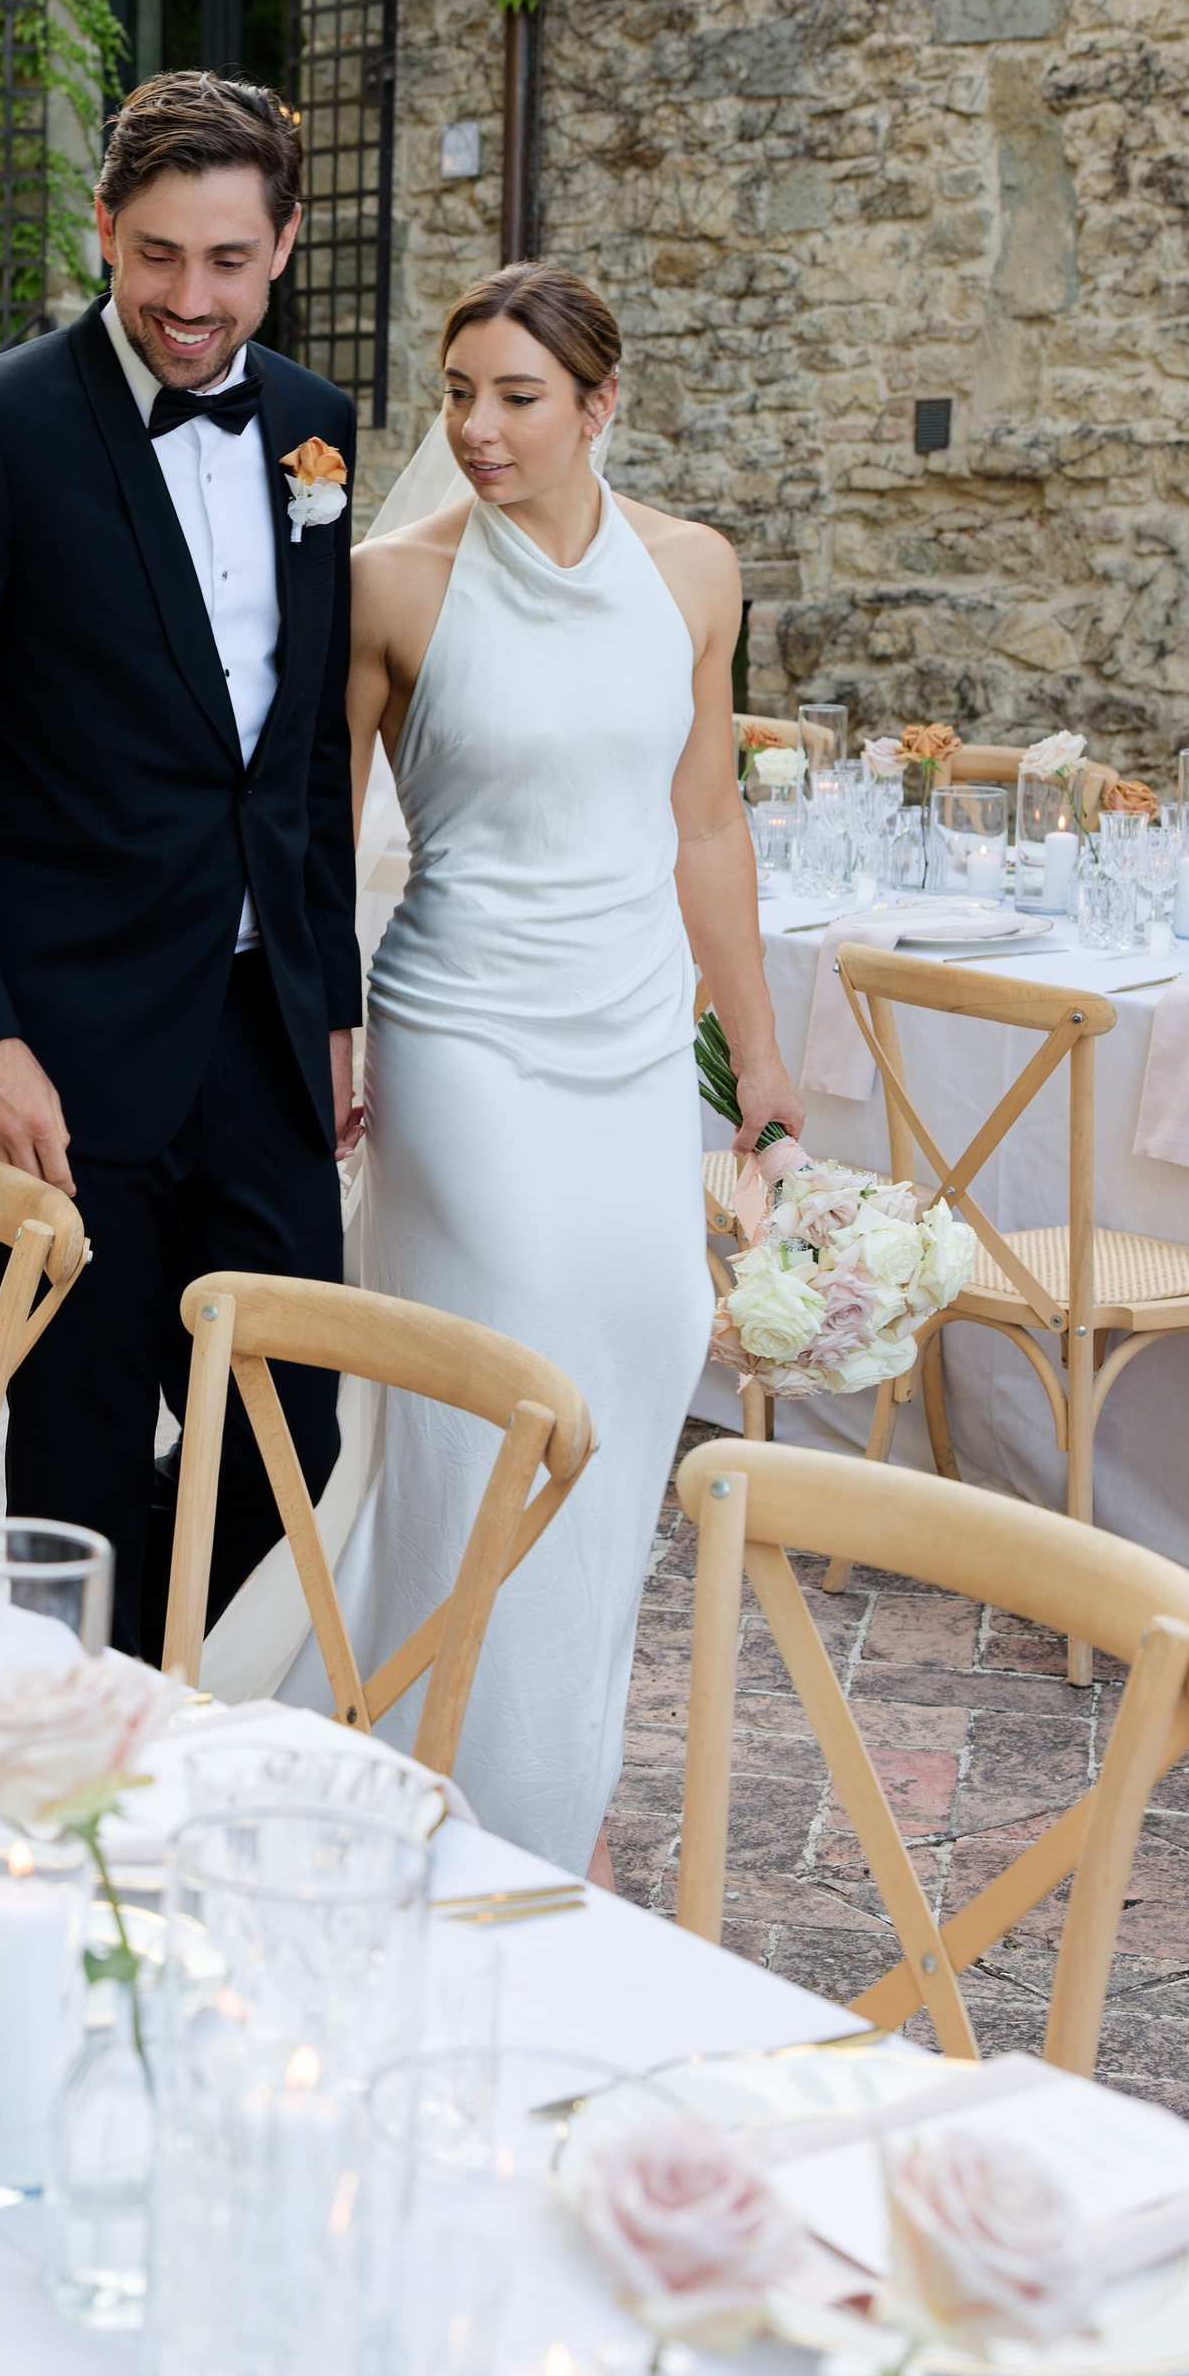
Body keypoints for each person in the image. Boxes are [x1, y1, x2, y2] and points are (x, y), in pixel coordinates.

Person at [0, 70, 362, 1659]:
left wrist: (328, 998)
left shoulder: (316, 434)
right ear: (104, 233)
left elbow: (297, 767)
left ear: (283, 244)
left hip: (260, 1035)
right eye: (155, 258)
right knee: (71, 1465)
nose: (188, 301)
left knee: (293, 1441)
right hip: (58, 1052)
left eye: (224, 261)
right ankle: (72, 1783)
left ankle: (131, 1695)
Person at [322, 261, 804, 1869]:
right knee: (502, 1402)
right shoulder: (393, 583)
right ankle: (434, 1796)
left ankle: (550, 1795)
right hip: (462, 1039)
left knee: (650, 1352)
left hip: (631, 1045)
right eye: (457, 393)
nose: (476, 427)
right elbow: (317, 849)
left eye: (516, 397)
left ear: (603, 407)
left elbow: (706, 825)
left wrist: (759, 1055)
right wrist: (333, 1031)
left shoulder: (695, 575)